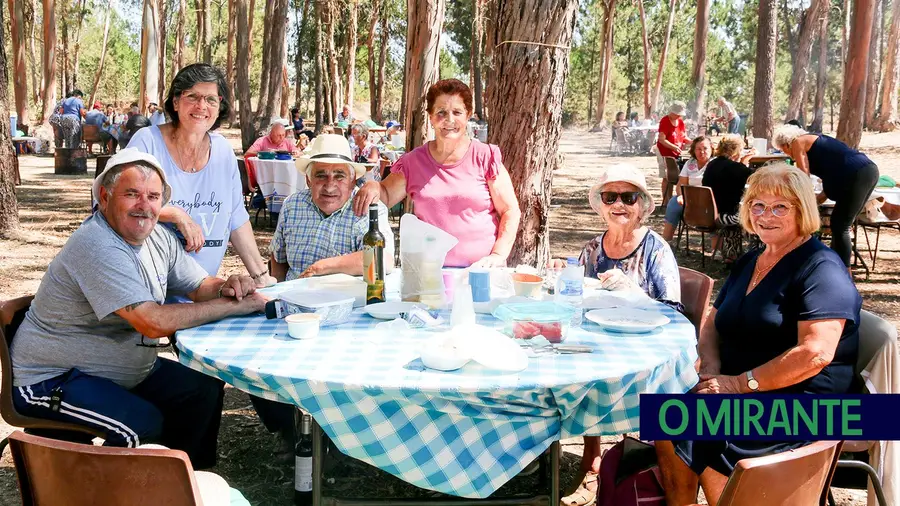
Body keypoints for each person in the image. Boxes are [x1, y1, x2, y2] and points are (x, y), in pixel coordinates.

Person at [10, 149, 267, 468]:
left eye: (153, 196)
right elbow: (152, 323)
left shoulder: (159, 236)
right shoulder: (98, 245)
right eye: (131, 194)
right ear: (104, 197)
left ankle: (186, 484)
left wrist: (229, 285)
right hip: (50, 379)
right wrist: (231, 307)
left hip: (119, 371)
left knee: (202, 387)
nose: (144, 206)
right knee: (140, 426)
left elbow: (200, 285)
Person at [655, 164, 861, 506]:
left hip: (810, 404)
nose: (766, 215)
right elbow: (712, 321)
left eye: (780, 206)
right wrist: (710, 367)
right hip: (749, 387)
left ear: (803, 211)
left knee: (706, 427)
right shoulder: (753, 259)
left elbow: (815, 353)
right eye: (757, 205)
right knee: (666, 414)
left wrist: (738, 385)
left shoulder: (821, 268)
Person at [553, 163, 681, 506]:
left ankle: (622, 466)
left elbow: (674, 311)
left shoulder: (656, 248)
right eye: (611, 196)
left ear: (642, 205)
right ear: (600, 203)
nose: (619, 204)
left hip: (643, 351)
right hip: (598, 344)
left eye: (629, 197)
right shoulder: (593, 248)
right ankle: (592, 456)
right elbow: (576, 299)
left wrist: (634, 295)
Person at [127, 63, 275, 288]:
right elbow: (122, 203)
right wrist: (177, 215)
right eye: (192, 96)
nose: (201, 106)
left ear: (219, 107)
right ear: (175, 102)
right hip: (148, 289)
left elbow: (235, 215)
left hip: (203, 290)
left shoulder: (223, 150)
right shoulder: (147, 141)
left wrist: (260, 275)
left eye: (210, 99)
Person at [351, 78, 521, 268]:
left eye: (457, 112)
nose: (449, 120)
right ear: (431, 117)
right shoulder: (413, 162)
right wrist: (374, 186)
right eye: (441, 112)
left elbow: (510, 210)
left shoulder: (486, 156)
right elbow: (386, 196)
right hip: (429, 276)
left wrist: (498, 255)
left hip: (481, 273)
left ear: (468, 116)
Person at [270, 134, 394, 281]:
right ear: (309, 180)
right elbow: (278, 257)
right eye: (321, 175)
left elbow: (382, 259)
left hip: (347, 300)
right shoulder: (292, 205)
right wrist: (277, 294)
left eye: (339, 176)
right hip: (292, 298)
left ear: (352, 180)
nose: (329, 186)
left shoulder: (369, 208)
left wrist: (322, 267)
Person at [772, 124, 880, 267]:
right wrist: (812, 203)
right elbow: (827, 188)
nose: (786, 154)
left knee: (841, 225)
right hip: (867, 171)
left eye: (783, 150)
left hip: (856, 173)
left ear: (786, 143)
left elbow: (803, 176)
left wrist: (801, 201)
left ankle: (843, 271)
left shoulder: (798, 142)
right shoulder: (817, 145)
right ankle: (835, 265)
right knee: (838, 223)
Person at [701, 134, 755, 262]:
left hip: (708, 214)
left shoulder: (712, 164)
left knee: (737, 215)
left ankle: (732, 255)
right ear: (736, 151)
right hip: (725, 216)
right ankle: (754, 254)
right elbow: (753, 179)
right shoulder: (736, 169)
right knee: (754, 216)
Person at [662, 135, 713, 241]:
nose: (702, 152)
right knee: (673, 202)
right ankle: (666, 241)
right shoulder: (690, 163)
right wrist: (681, 196)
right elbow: (681, 184)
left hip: (709, 202)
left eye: (705, 148)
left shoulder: (715, 164)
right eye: (698, 149)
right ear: (693, 150)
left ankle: (716, 249)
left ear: (711, 149)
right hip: (689, 201)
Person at [657, 101, 688, 206]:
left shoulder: (681, 122)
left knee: (675, 175)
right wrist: (674, 147)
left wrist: (693, 142)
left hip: (676, 153)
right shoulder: (665, 121)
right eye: (677, 113)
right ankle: (666, 202)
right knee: (666, 177)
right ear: (672, 111)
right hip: (664, 152)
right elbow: (662, 139)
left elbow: (683, 137)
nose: (678, 115)